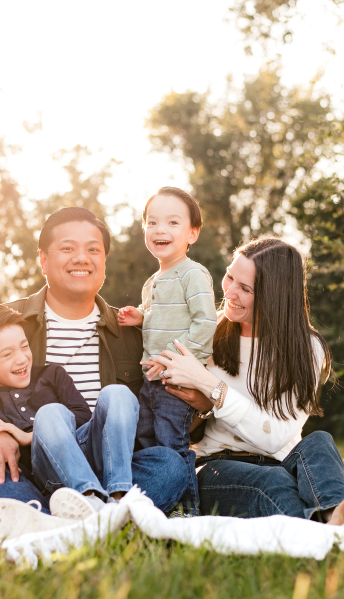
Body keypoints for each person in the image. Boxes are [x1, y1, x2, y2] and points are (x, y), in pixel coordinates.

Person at [0, 207, 187, 530]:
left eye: (93, 249)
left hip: (110, 469)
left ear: (104, 260)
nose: (82, 258)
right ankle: (105, 521)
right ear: (43, 260)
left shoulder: (133, 331)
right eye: (68, 248)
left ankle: (56, 521)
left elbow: (165, 405)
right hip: (33, 469)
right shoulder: (5, 322)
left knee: (170, 467)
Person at [146, 237, 344, 534]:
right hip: (216, 466)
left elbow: (275, 438)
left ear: (275, 297)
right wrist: (202, 408)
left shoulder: (306, 348)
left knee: (319, 443)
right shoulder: (206, 333)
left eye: (244, 289)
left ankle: (338, 516)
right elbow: (169, 422)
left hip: (282, 460)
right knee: (275, 483)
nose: (228, 291)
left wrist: (210, 387)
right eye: (230, 276)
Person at [0, 301, 137, 523]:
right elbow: (0, 452)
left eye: (24, 346)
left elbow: (84, 417)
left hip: (90, 461)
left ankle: (118, 498)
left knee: (165, 459)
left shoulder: (52, 375)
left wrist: (30, 435)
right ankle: (86, 511)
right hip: (44, 478)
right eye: (7, 354)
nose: (22, 358)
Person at [118, 187, 217, 515]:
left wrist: (174, 361)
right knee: (145, 437)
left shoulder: (193, 274)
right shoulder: (152, 282)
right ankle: (156, 499)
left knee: (171, 441)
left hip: (178, 377)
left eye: (173, 223)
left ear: (192, 233)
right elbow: (165, 319)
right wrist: (140, 317)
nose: (160, 229)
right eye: (152, 222)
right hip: (151, 377)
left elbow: (205, 324)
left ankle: (186, 508)